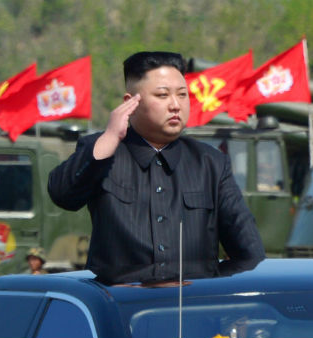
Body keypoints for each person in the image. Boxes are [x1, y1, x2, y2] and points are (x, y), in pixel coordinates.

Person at [48, 51, 265, 276]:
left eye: (182, 95)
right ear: (130, 103)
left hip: (189, 303)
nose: (175, 105)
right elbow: (63, 194)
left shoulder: (211, 163)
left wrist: (207, 283)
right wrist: (110, 137)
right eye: (162, 95)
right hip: (121, 304)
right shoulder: (104, 151)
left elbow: (251, 256)